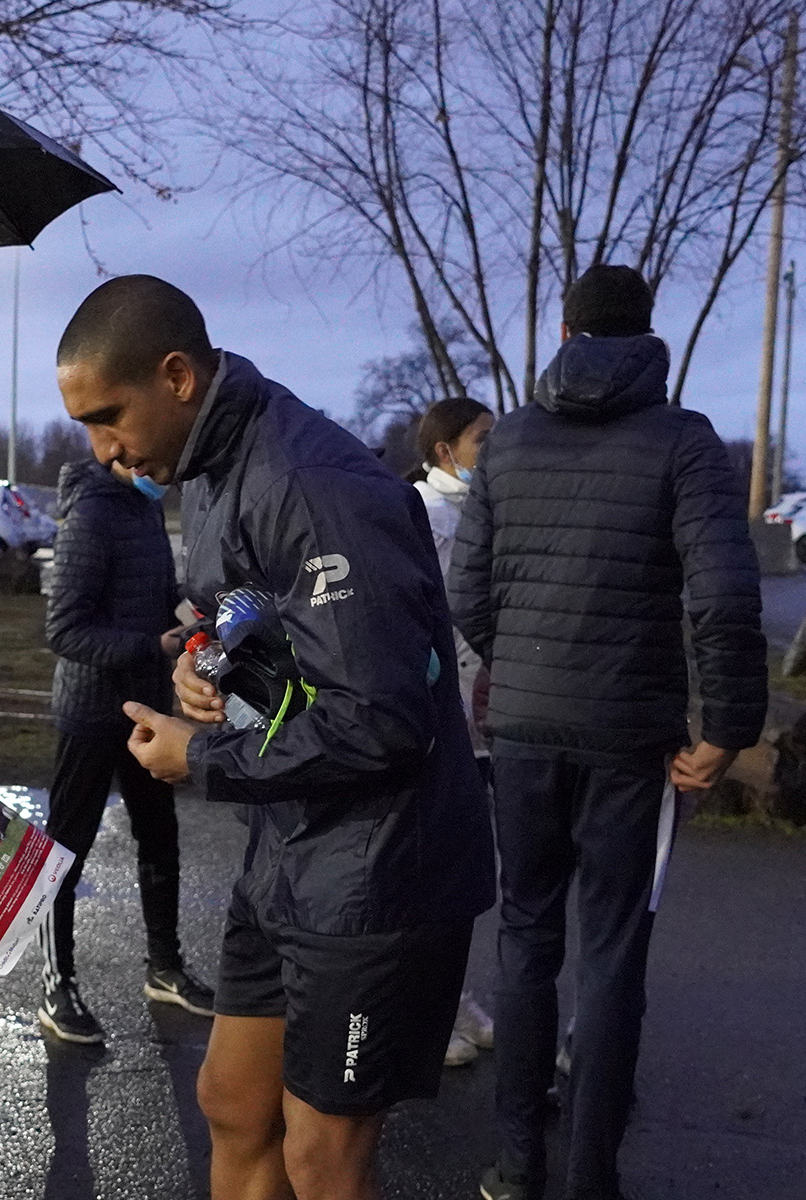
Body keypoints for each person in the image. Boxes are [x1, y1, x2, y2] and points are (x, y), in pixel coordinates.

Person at [58, 275, 495, 1200]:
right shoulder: (213, 465)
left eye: (107, 417)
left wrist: (198, 757)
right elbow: (252, 609)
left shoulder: (309, 482)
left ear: (176, 376)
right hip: (288, 847)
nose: (103, 451)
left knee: (322, 1157)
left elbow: (381, 722)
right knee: (231, 1101)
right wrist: (205, 665)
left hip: (378, 871)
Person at [448, 264, 767, 1200]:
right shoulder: (685, 441)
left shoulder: (507, 442)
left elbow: (468, 593)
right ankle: (592, 1176)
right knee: (613, 953)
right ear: (648, 334)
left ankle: (516, 1165)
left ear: (566, 332)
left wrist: (527, 668)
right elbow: (723, 595)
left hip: (523, 732)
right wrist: (728, 728)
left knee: (525, 937)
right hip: (630, 739)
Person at [36, 454, 214, 1045]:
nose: (169, 472)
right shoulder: (90, 514)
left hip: (147, 706)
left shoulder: (144, 508)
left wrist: (189, 612)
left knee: (160, 839)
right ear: (122, 453)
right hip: (90, 714)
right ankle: (56, 985)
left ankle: (165, 967)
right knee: (65, 852)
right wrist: (151, 645)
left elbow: (152, 597)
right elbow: (64, 629)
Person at [411, 397, 499, 1070]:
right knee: (430, 873)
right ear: (445, 451)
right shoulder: (421, 514)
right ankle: (425, 1014)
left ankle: (454, 997)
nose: (491, 450)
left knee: (468, 870)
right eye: (481, 439)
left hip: (482, 720)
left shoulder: (481, 511)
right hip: (437, 719)